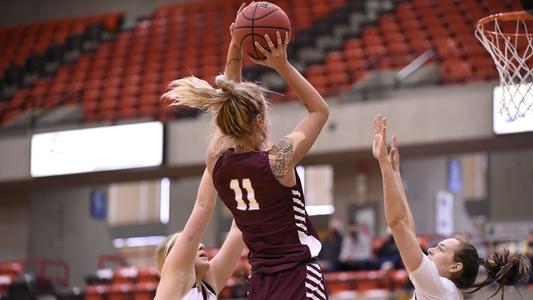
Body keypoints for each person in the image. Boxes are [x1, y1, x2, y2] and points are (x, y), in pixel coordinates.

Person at [163, 12, 330, 300]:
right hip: (298, 276)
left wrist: (236, 43)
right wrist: (282, 65)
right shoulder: (278, 161)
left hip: (260, 283)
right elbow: (319, 111)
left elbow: (228, 99)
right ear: (260, 121)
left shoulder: (217, 162)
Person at [372, 114, 531, 300]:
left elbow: (397, 224)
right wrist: (395, 175)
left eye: (441, 249)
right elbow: (407, 231)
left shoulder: (439, 288)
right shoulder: (441, 289)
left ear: (455, 267)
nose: (430, 249)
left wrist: (383, 163)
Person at [154, 170, 245, 300]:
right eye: (191, 246)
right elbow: (204, 205)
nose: (201, 245)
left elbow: (238, 230)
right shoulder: (175, 279)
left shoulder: (208, 285)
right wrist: (213, 162)